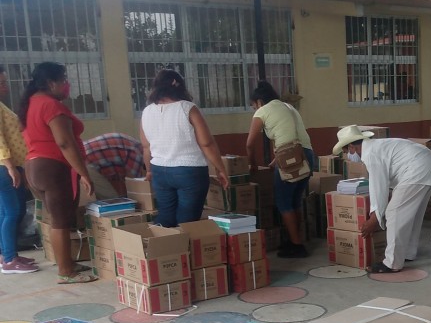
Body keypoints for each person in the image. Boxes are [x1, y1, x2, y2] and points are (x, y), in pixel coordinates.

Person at [332, 125, 431, 273]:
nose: (348, 155)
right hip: (426, 166)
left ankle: (391, 263)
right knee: (411, 215)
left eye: (346, 151)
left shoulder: (371, 154)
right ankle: (408, 253)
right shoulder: (375, 146)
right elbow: (384, 185)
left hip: (417, 170)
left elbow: (378, 188)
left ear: (351, 147)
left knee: (394, 213)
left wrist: (373, 220)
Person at [20, 61, 97, 283]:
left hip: (35, 166)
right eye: (63, 80)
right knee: (60, 220)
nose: (67, 85)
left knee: (59, 217)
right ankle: (66, 272)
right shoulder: (51, 106)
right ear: (51, 82)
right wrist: (83, 172)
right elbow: (65, 143)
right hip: (52, 168)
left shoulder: (32, 103)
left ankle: (68, 263)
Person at [139, 69, 228, 228]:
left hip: (159, 171)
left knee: (165, 219)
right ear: (178, 85)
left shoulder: (147, 111)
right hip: (189, 172)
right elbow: (206, 143)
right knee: (187, 223)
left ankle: (166, 250)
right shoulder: (187, 108)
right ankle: (187, 251)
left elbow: (146, 147)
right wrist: (220, 168)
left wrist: (149, 171)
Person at [246, 81, 314, 258]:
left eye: (253, 105)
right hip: (307, 156)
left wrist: (253, 164)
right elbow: (292, 136)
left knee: (283, 202)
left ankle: (297, 245)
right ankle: (295, 240)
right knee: (295, 201)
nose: (254, 109)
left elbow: (250, 144)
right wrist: (277, 159)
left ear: (259, 101)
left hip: (291, 159)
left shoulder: (263, 111)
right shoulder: (288, 107)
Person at [0, 65, 37, 274]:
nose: (5, 85)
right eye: (2, 82)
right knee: (13, 212)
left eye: (5, 81)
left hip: (9, 166)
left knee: (6, 212)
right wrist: (10, 167)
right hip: (4, 167)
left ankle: (7, 254)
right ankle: (10, 260)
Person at [83, 132, 145, 199]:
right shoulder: (137, 155)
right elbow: (135, 184)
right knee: (112, 199)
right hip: (85, 161)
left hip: (84, 155)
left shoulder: (134, 145)